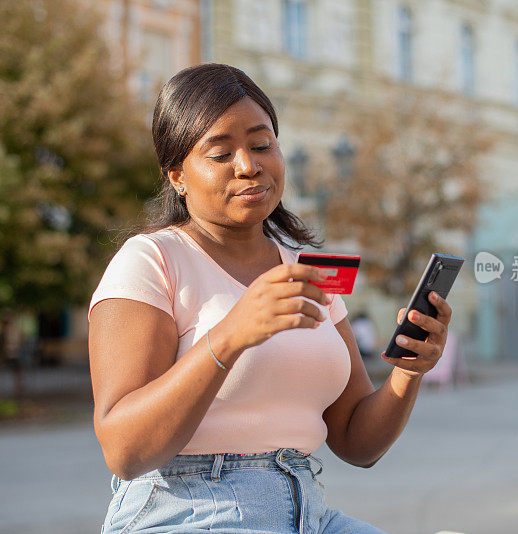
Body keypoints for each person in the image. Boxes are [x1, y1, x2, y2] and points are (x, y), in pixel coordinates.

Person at [87, 63, 455, 534]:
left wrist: (408, 370)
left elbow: (358, 443)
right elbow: (125, 450)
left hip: (308, 511)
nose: (249, 164)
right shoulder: (151, 260)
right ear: (177, 174)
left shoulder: (306, 270)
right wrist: (230, 336)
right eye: (220, 153)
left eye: (262, 145)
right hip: (188, 512)